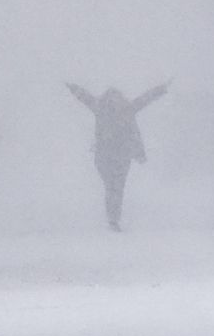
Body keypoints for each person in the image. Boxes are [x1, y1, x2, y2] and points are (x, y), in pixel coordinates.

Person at [66, 80, 171, 231]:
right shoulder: (126, 109)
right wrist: (161, 89)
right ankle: (113, 219)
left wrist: (71, 86)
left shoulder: (101, 107)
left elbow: (84, 97)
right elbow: (145, 99)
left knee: (112, 188)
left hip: (106, 156)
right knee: (116, 188)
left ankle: (113, 219)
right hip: (120, 156)